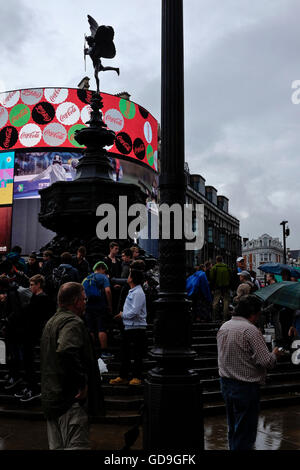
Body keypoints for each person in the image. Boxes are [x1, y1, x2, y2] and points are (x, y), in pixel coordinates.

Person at [40, 282, 104, 450]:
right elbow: (66, 350)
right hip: (69, 402)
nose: (85, 303)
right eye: (84, 299)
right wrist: (82, 383)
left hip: (52, 400)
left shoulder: (51, 322)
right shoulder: (73, 322)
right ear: (76, 301)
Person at [217, 294, 283, 450]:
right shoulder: (250, 331)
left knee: (233, 427)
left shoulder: (224, 326)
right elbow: (267, 361)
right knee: (245, 431)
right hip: (246, 386)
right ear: (253, 313)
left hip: (226, 383)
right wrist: (275, 354)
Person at [14, 275, 54, 402]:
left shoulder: (42, 299)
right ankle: (30, 387)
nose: (30, 287)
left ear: (38, 285)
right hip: (30, 334)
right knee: (27, 363)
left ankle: (33, 389)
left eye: (32, 284)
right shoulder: (36, 298)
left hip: (34, 334)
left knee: (30, 363)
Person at [110, 268, 147, 386]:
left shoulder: (138, 293)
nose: (128, 277)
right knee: (125, 353)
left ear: (133, 278)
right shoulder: (132, 291)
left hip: (137, 328)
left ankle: (137, 376)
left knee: (137, 354)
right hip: (129, 327)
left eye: (130, 275)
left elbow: (135, 311)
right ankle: (123, 376)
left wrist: (122, 315)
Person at [82, 261, 113, 359]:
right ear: (102, 268)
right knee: (101, 328)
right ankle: (104, 352)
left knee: (90, 329)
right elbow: (107, 291)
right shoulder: (103, 277)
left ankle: (91, 350)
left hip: (88, 306)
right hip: (100, 305)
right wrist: (110, 305)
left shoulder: (86, 278)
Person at [210, 256, 232, 322]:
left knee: (215, 302)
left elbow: (212, 279)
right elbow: (231, 277)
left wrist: (212, 288)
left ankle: (214, 318)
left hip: (217, 287)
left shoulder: (214, 268)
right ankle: (225, 319)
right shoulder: (227, 267)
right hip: (226, 287)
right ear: (222, 260)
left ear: (216, 260)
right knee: (226, 302)